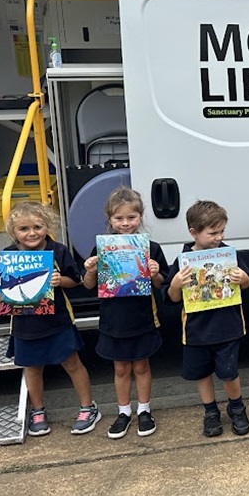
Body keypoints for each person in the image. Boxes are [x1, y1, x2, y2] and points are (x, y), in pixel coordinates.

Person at [0, 201, 99, 437]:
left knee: (72, 364)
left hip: (58, 320)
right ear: (13, 232)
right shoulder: (8, 256)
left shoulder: (58, 251)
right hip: (24, 324)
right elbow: (3, 291)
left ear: (47, 226)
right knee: (32, 369)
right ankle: (37, 411)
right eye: (23, 229)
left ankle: (88, 407)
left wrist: (60, 281)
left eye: (38, 226)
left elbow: (76, 280)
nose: (31, 233)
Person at [80, 187, 167, 438]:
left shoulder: (151, 247)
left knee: (141, 366)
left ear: (141, 217)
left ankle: (144, 410)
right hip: (113, 320)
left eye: (132, 217)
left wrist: (155, 272)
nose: (126, 223)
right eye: (119, 218)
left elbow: (162, 282)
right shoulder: (102, 249)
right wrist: (90, 270)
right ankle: (123, 412)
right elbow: (87, 285)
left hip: (142, 317)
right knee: (120, 369)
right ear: (109, 219)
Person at [166, 200, 249, 437]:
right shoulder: (182, 262)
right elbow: (172, 298)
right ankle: (210, 411)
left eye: (222, 231)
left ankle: (237, 406)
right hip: (196, 330)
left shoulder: (228, 255)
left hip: (227, 327)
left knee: (229, 371)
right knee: (202, 373)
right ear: (193, 232)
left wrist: (242, 278)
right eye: (212, 232)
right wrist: (175, 285)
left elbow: (247, 284)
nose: (218, 237)